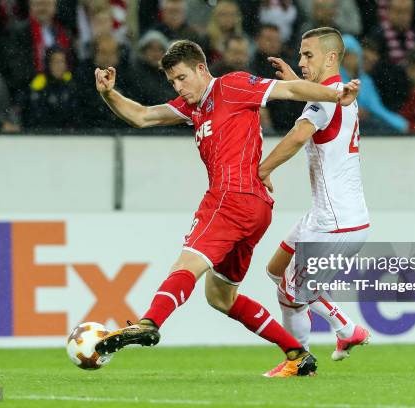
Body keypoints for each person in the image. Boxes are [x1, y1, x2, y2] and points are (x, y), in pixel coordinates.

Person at [92, 39, 359, 377]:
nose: (178, 87)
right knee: (220, 297)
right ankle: (296, 353)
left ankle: (149, 322)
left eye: (182, 77)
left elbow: (289, 90)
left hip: (230, 197)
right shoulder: (193, 107)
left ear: (201, 69)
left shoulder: (232, 86)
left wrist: (336, 95)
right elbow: (142, 116)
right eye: (172, 81)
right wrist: (108, 94)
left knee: (187, 262)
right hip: (256, 207)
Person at [258, 27, 370, 361]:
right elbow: (317, 104)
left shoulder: (332, 96)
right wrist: (294, 79)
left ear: (331, 57)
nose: (301, 60)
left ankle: (299, 361)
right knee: (277, 271)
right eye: (300, 55)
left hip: (335, 223)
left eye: (308, 55)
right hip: (327, 215)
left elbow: (297, 135)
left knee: (290, 295)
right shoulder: (334, 94)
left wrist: (262, 170)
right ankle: (347, 330)